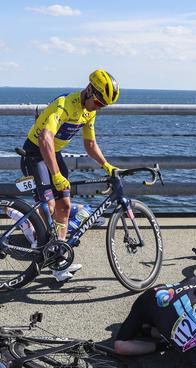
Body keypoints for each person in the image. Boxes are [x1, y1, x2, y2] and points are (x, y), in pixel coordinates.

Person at [20, 69, 120, 282]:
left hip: (53, 154)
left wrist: (107, 166)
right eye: (99, 102)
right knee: (49, 207)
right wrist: (55, 174)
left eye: (104, 105)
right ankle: (36, 241)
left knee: (64, 205)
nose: (99, 107)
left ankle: (58, 260)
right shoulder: (64, 104)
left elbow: (90, 144)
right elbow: (45, 139)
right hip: (35, 154)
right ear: (89, 90)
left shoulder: (89, 112)